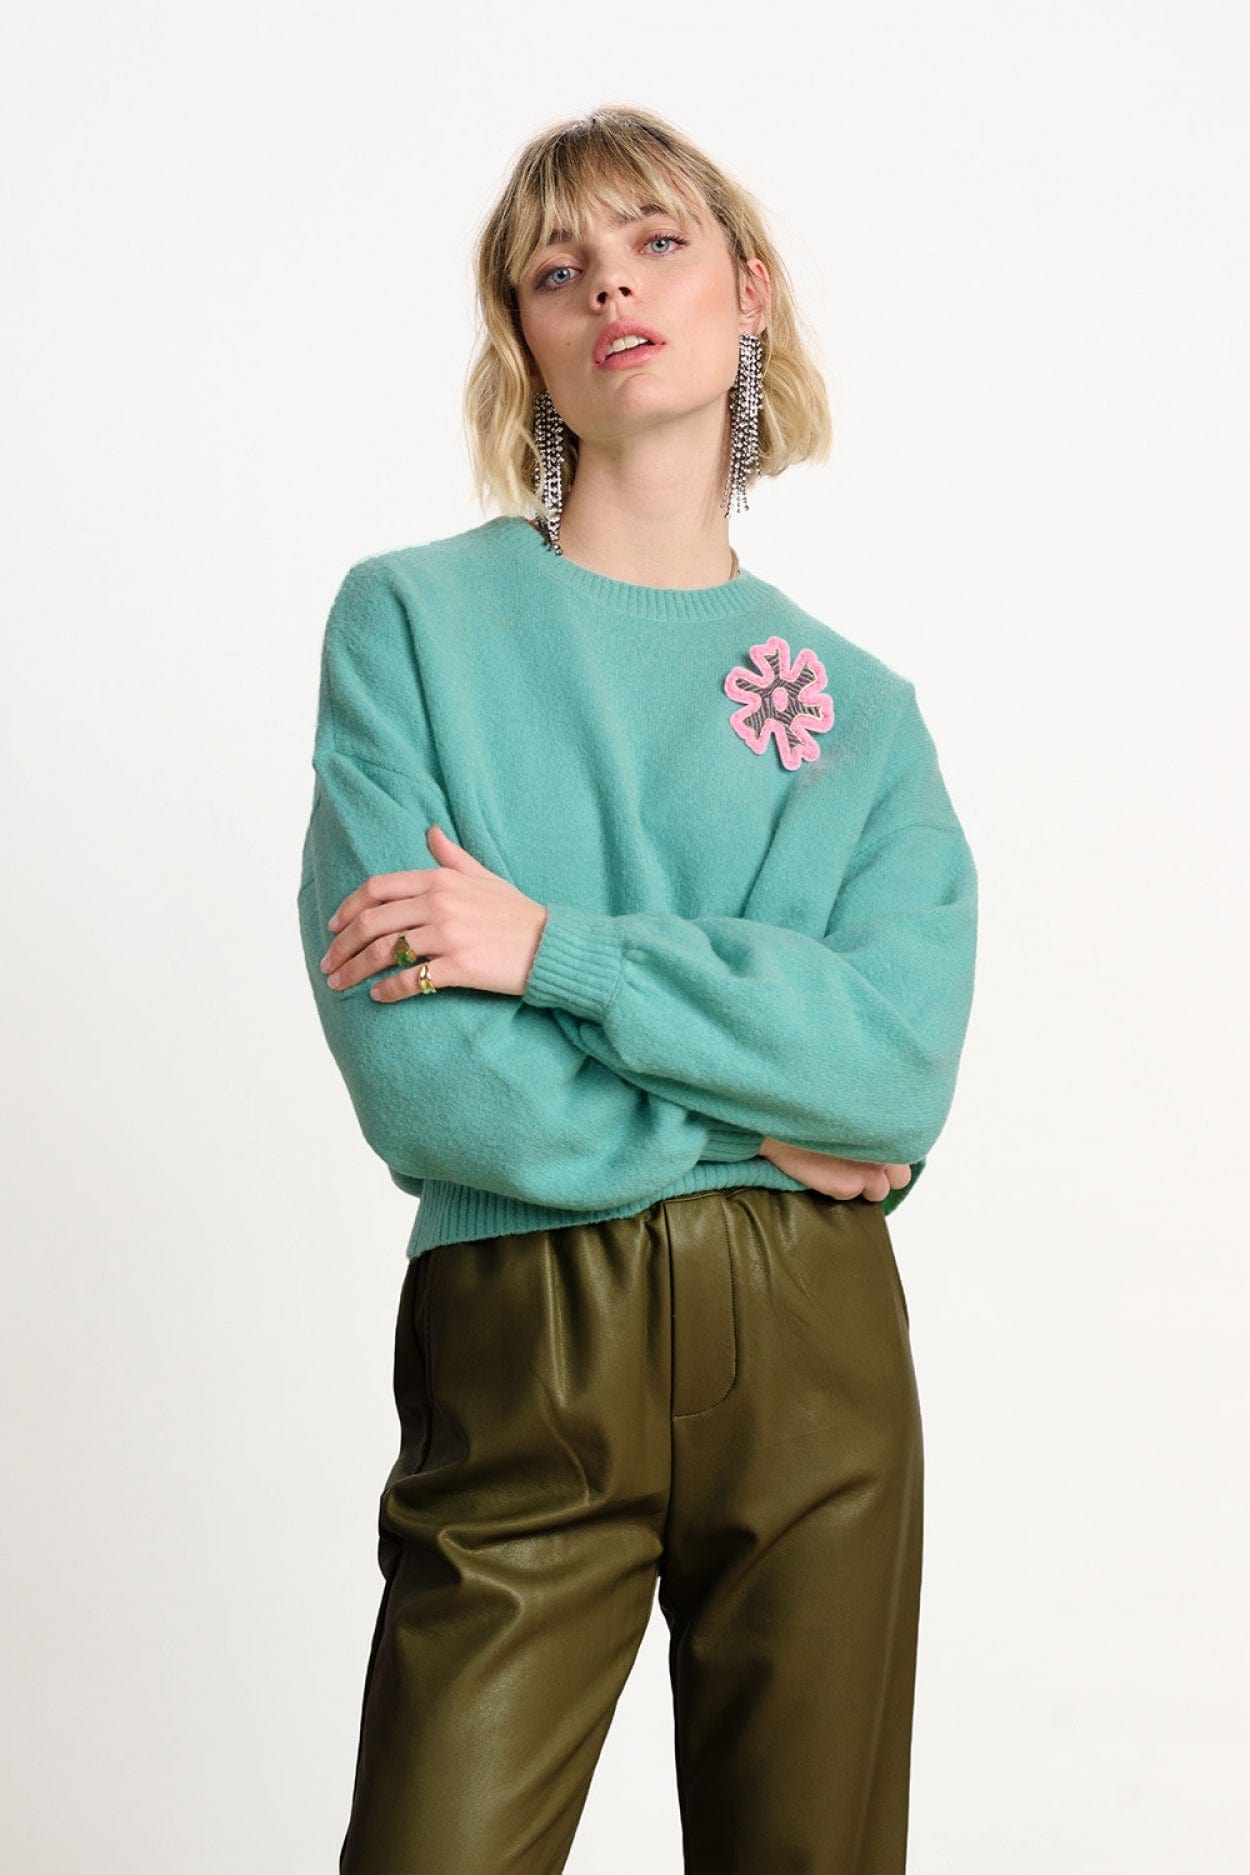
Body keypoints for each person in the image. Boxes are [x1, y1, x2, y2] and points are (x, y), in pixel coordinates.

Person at [297, 102, 978, 1875]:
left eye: (657, 243)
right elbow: (428, 1077)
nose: (611, 287)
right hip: (524, 1327)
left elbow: (896, 1071)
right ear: (523, 340)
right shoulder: (413, 627)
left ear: (747, 292)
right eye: (557, 269)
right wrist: (767, 1119)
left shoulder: (860, 713)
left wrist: (553, 953)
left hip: (817, 1362)